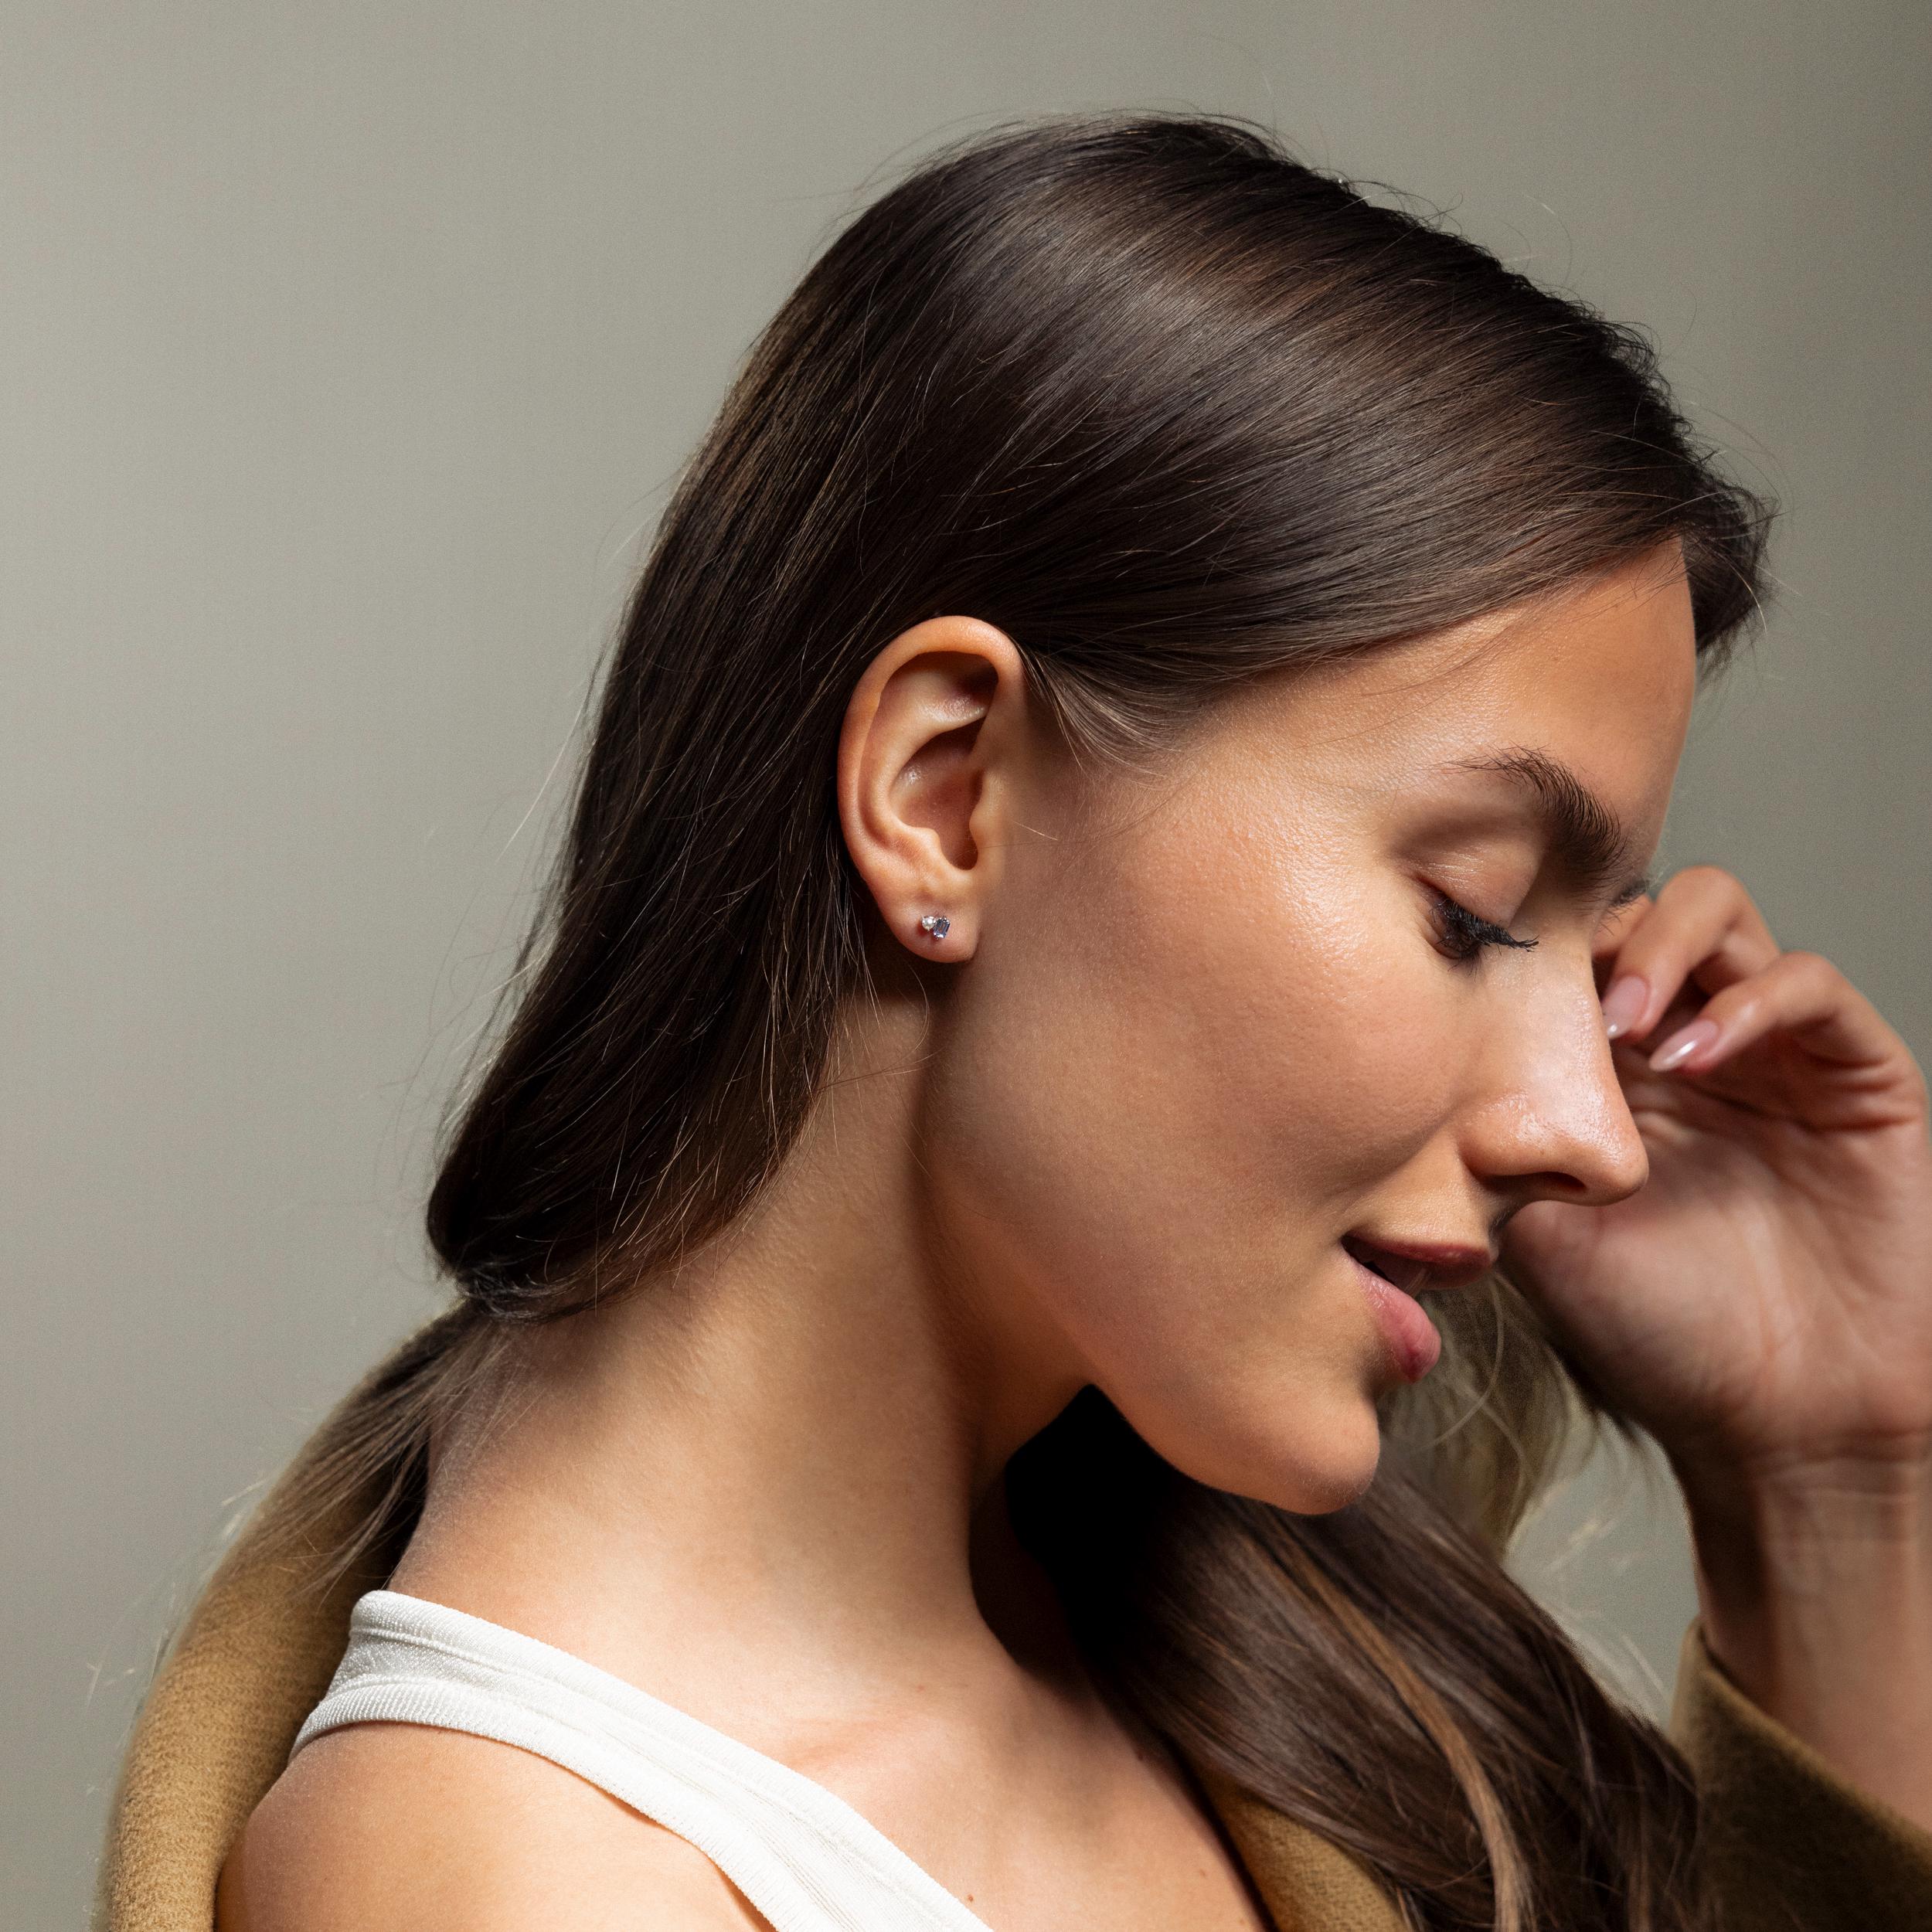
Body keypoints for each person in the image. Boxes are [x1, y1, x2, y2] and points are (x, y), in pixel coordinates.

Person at [95, 115, 1932, 1932]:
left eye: (1588, 954)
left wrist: (1838, 1482)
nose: (1587, 1129)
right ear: (947, 792)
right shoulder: (528, 1881)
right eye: (1467, 910)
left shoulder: (1241, 1646)